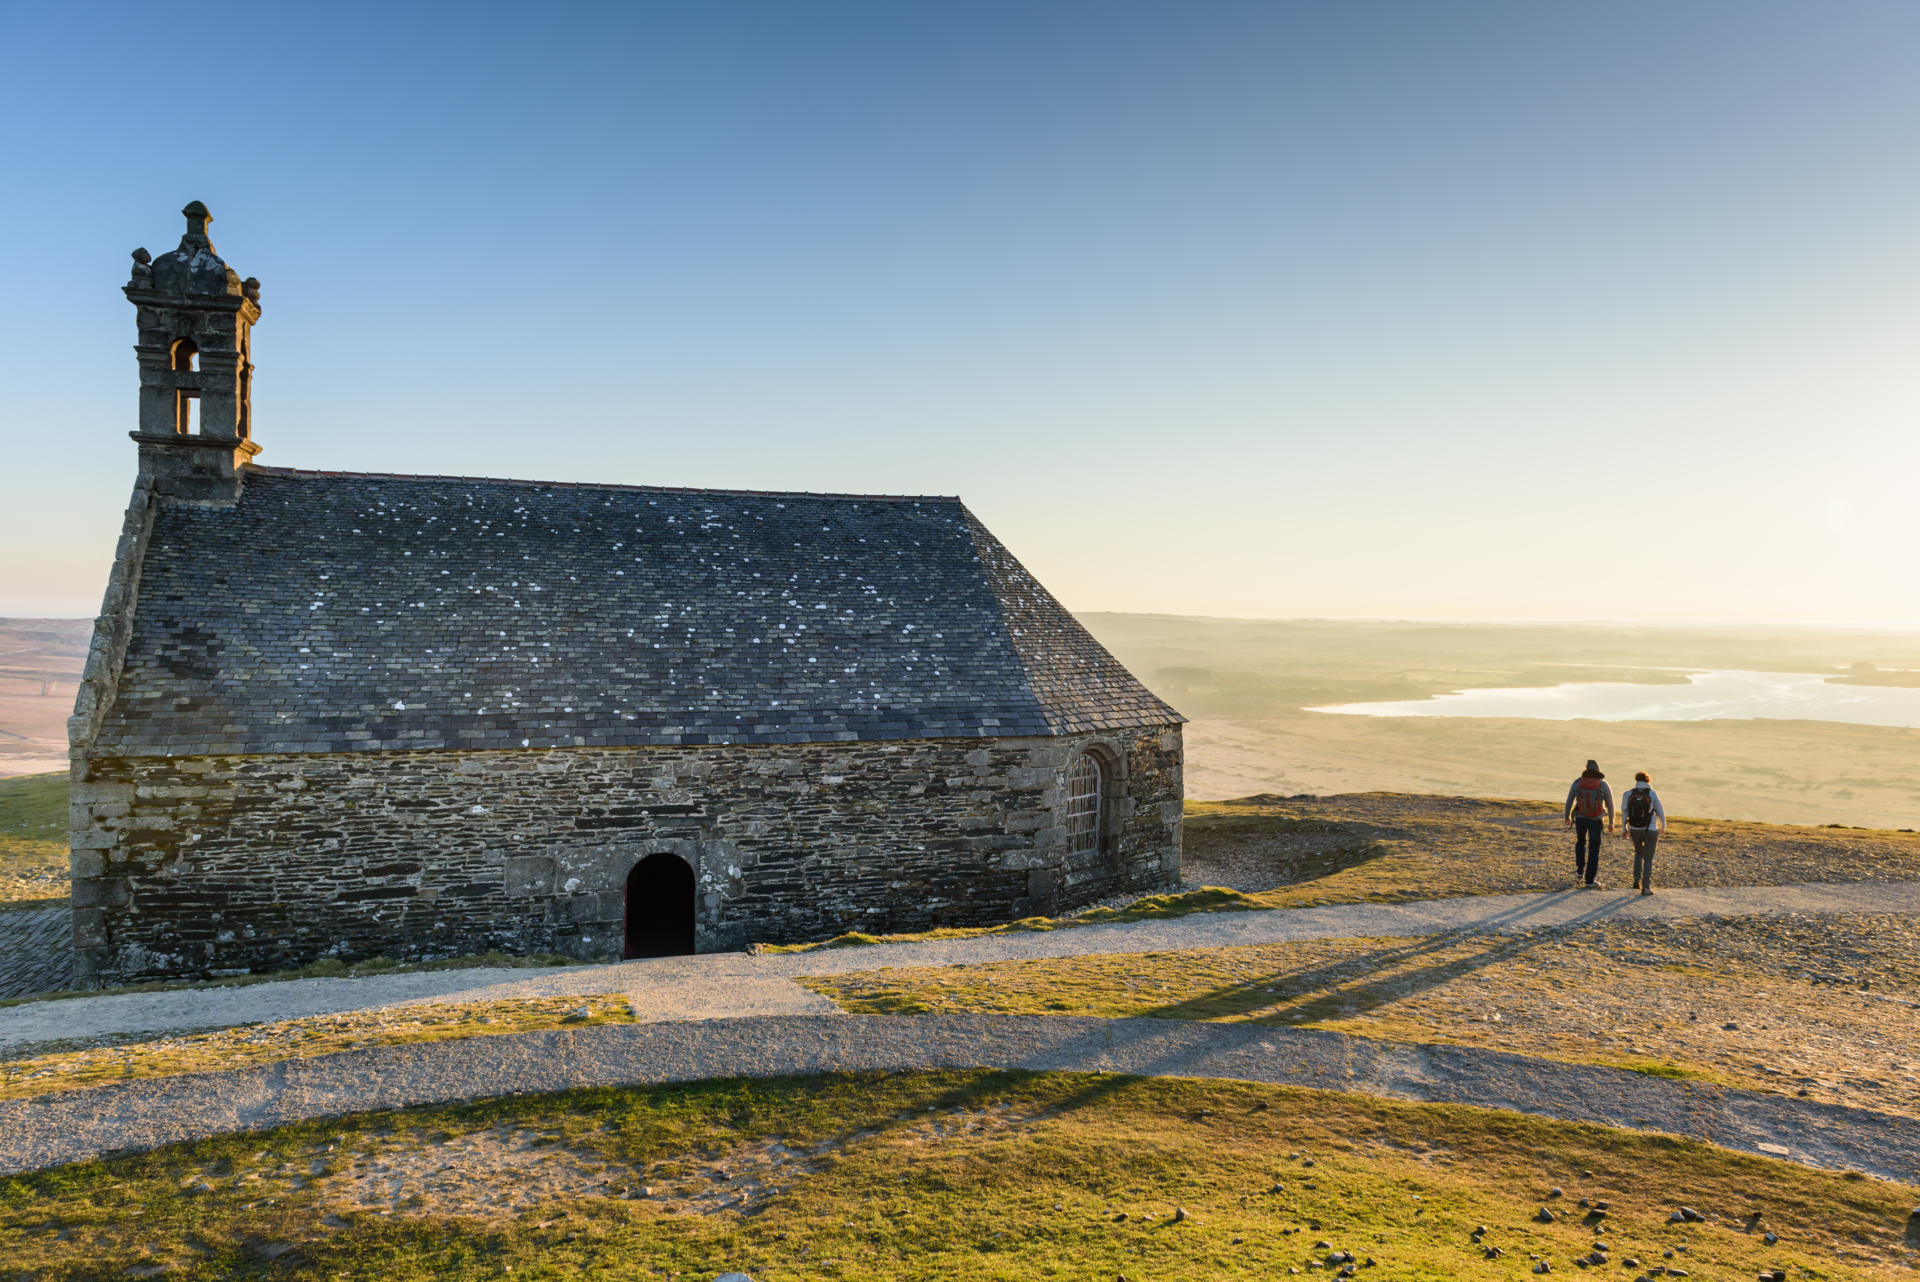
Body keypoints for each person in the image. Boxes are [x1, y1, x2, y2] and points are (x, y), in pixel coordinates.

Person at [1563, 759, 1612, 887]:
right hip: (1596, 820)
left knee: (1580, 842)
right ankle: (1589, 880)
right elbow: (1610, 804)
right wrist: (1611, 822)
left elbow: (1569, 800)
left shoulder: (1578, 783)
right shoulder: (1603, 784)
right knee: (1594, 849)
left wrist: (1567, 816)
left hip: (1580, 818)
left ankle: (1580, 871)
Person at [1623, 770, 1667, 895]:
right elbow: (1660, 811)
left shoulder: (1628, 793)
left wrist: (1623, 829)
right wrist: (1663, 825)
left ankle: (1636, 881)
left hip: (1634, 829)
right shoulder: (1652, 794)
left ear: (1636, 780)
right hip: (1650, 829)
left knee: (1638, 853)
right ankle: (1646, 887)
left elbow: (1624, 811)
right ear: (1648, 781)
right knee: (1648, 858)